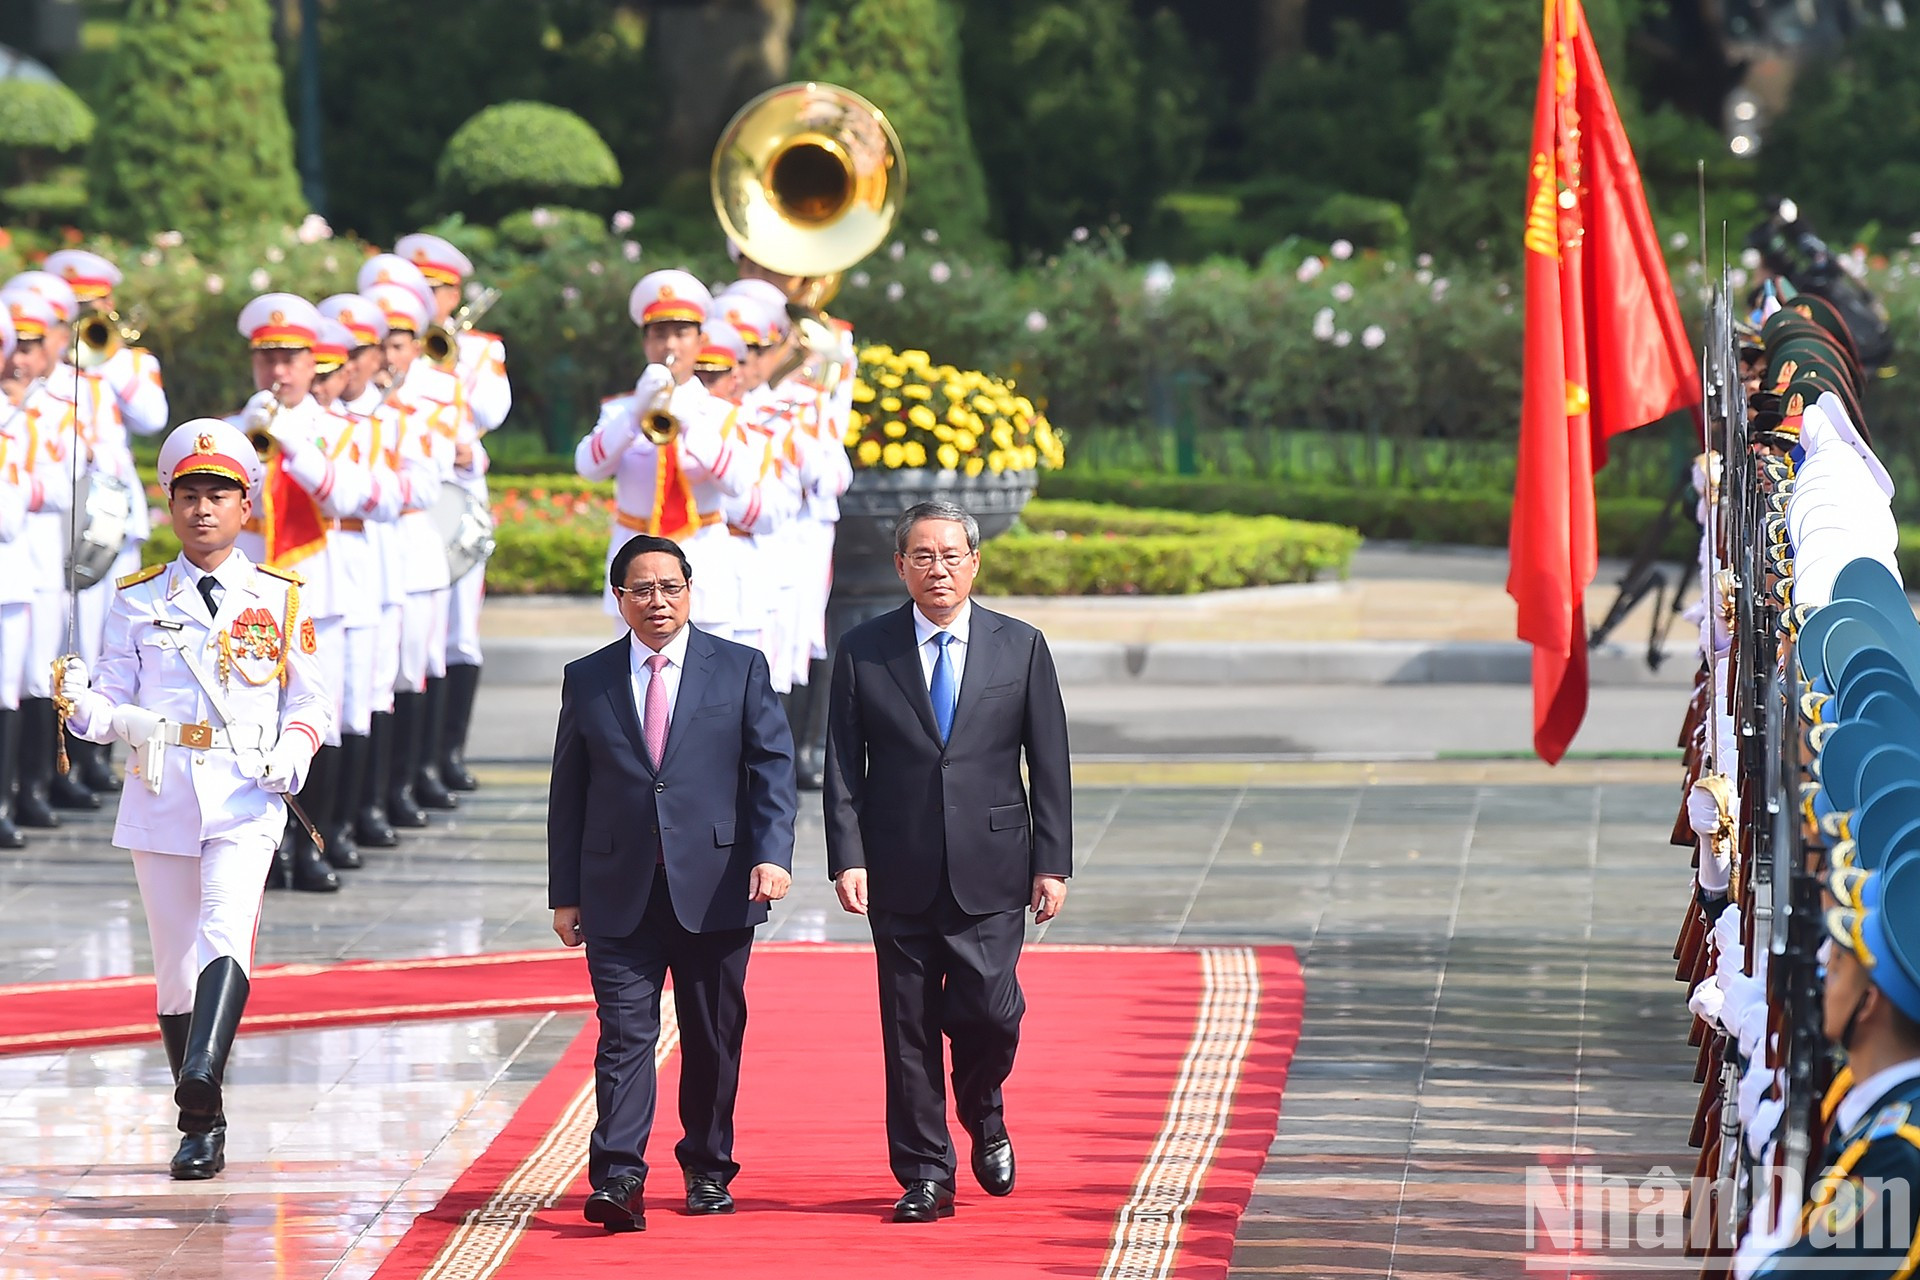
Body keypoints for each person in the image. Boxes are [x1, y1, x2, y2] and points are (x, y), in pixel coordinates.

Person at [56, 418, 329, 1181]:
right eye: (189, 495)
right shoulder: (136, 598)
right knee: (175, 966)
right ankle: (203, 1115)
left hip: (246, 794)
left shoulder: (278, 597)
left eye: (219, 495)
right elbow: (109, 705)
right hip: (161, 789)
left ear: (247, 506)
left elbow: (313, 702)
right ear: (169, 506)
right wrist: (80, 706)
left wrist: (292, 750)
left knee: (224, 933)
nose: (203, 509)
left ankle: (198, 1088)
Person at [823, 500, 1073, 1223]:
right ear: (900, 566)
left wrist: (1050, 863)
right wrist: (848, 855)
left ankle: (984, 1107)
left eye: (952, 555)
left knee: (992, 1011)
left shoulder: (1019, 646)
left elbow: (1048, 762)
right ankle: (926, 1173)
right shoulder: (864, 649)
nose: (939, 569)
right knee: (907, 1027)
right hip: (896, 867)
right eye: (923, 556)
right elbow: (844, 764)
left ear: (975, 562)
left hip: (994, 865)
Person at [548, 533, 796, 1232]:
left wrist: (772, 854)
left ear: (689, 590)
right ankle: (619, 1175)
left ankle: (708, 1168)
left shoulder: (738, 668)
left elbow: (772, 769)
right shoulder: (588, 677)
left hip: (717, 887)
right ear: (619, 598)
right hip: (616, 888)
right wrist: (564, 893)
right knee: (623, 1038)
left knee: (713, 1037)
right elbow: (569, 791)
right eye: (642, 589)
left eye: (670, 587)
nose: (658, 601)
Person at [226, 293, 369, 893]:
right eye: (267, 359)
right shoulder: (231, 431)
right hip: (251, 590)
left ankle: (316, 842)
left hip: (316, 593)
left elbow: (348, 498)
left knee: (317, 720)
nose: (278, 372)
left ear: (315, 363)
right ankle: (261, 847)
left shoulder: (337, 429)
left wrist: (290, 441)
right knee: (253, 717)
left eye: (290, 359)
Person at [1750, 858, 1920, 1275]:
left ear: (1870, 1003)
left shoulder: (1900, 1152)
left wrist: (1768, 1263)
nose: (1824, 969)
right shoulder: (1877, 1107)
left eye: (1840, 964)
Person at [574, 271, 749, 639]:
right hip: (634, 563)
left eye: (681, 333)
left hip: (701, 560)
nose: (670, 343)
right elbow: (587, 467)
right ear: (645, 342)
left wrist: (692, 426)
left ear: (701, 341)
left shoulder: (720, 413)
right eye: (658, 333)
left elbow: (737, 483)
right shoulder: (620, 410)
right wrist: (634, 416)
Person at [394, 233, 506, 794]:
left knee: (458, 633)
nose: (423, 297)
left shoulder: (482, 348)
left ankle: (446, 755)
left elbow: (493, 409)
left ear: (453, 291)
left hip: (458, 502)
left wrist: (452, 361)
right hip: (408, 503)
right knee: (413, 639)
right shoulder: (386, 348)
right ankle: (410, 767)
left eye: (433, 288)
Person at [0, 288, 81, 830]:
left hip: (29, 561)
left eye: (29, 347)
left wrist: (18, 489)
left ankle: (23, 790)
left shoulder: (52, 411)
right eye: (14, 348)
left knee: (29, 678)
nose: (19, 360)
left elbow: (65, 481)